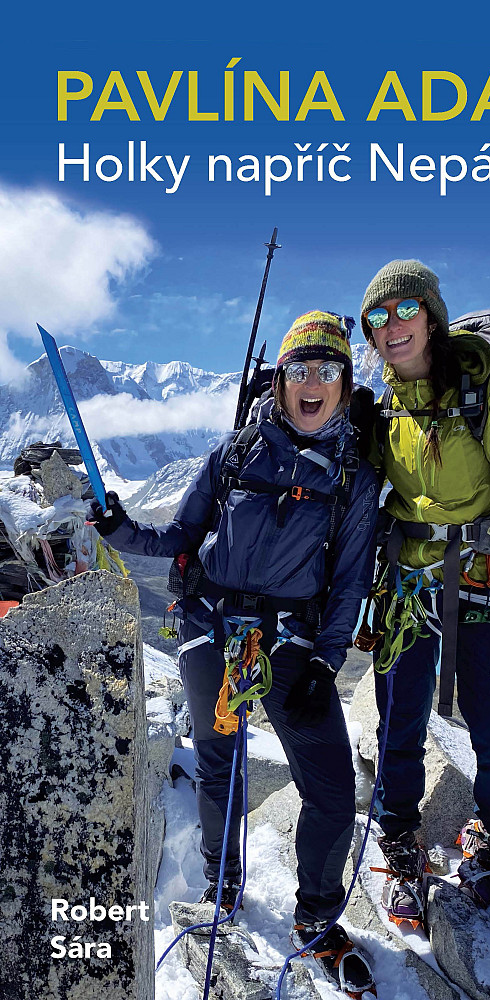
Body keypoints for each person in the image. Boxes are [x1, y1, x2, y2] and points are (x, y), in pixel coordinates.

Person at [89, 310, 379, 996]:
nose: (312, 382)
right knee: (219, 766)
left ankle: (316, 918)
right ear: (279, 381)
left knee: (333, 790)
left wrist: (326, 662)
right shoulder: (236, 452)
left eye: (328, 370)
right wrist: (120, 529)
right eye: (299, 369)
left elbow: (349, 582)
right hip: (212, 627)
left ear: (344, 385)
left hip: (292, 645)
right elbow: (180, 538)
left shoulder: (353, 477)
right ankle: (221, 887)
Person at [360, 260, 490, 918]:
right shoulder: (383, 405)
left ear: (432, 316)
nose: (392, 326)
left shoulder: (489, 391)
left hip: (487, 577)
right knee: (399, 724)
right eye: (378, 317)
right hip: (410, 582)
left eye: (405, 310)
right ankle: (398, 840)